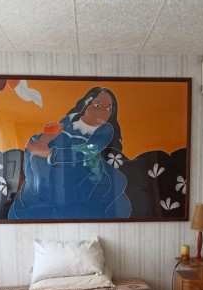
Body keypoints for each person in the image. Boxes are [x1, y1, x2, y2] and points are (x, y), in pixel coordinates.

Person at [8, 87, 131, 220]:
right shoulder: (69, 120)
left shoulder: (106, 129)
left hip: (84, 166)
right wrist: (44, 139)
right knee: (36, 158)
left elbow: (87, 151)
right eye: (98, 105)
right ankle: (37, 193)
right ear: (87, 103)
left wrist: (51, 153)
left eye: (109, 108)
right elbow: (55, 139)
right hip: (58, 163)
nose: (104, 112)